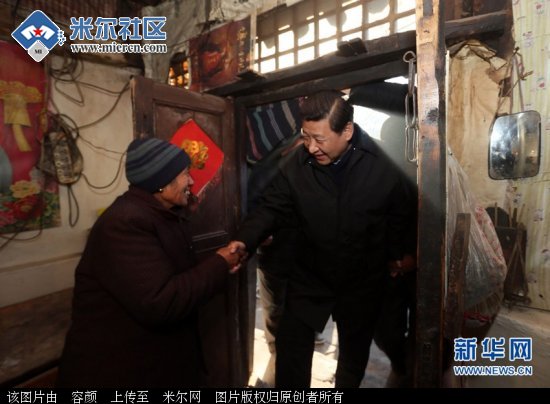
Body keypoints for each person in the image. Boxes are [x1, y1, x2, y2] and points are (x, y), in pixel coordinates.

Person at [228, 90, 414, 388]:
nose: (311, 147)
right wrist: (244, 240)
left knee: (352, 358)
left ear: (347, 131)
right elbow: (270, 207)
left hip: (362, 281)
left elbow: (400, 215)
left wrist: (398, 255)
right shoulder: (296, 163)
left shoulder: (383, 165)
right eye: (306, 137)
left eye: (320, 139)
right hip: (310, 277)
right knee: (290, 351)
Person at [57, 137, 244, 388]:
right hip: (120, 374)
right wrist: (220, 263)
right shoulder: (124, 223)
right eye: (185, 174)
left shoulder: (161, 214)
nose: (191, 182)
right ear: (162, 183)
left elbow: (175, 267)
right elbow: (162, 301)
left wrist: (221, 261)